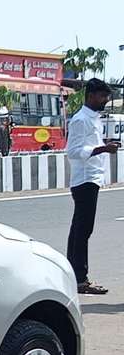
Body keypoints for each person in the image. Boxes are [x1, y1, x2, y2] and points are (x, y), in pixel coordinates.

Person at [66, 78, 118, 295]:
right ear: (91, 96)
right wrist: (103, 149)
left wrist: (103, 146)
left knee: (78, 230)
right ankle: (80, 279)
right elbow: (73, 152)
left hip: (91, 179)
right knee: (83, 230)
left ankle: (73, 276)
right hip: (85, 180)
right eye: (103, 96)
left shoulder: (93, 119)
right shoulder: (81, 120)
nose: (106, 100)